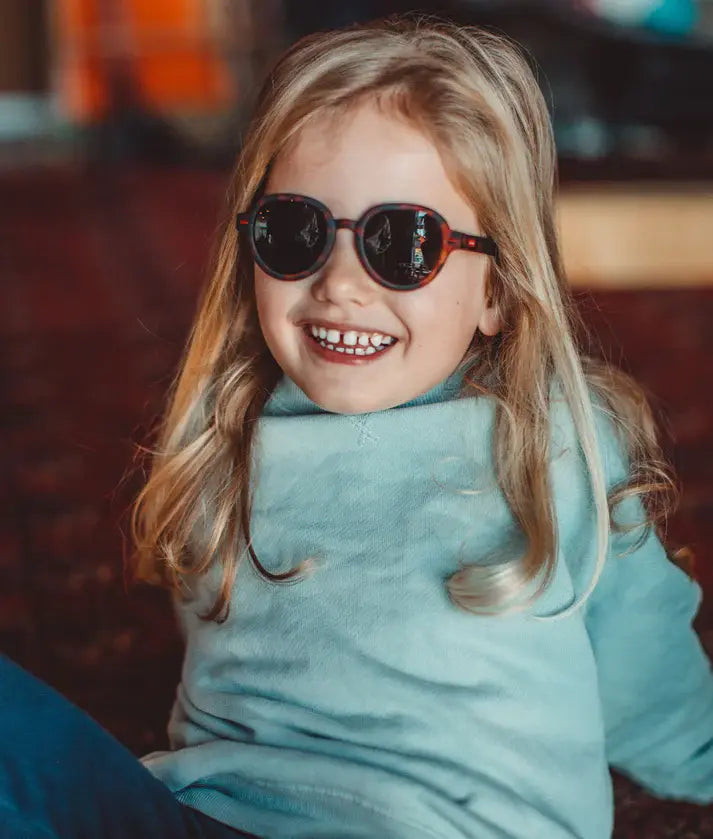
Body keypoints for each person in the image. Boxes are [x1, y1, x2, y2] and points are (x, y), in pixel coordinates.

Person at [2, 15, 712, 839]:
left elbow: (646, 676)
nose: (339, 283)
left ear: (497, 289)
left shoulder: (553, 443)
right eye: (295, 232)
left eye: (402, 243)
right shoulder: (224, 432)